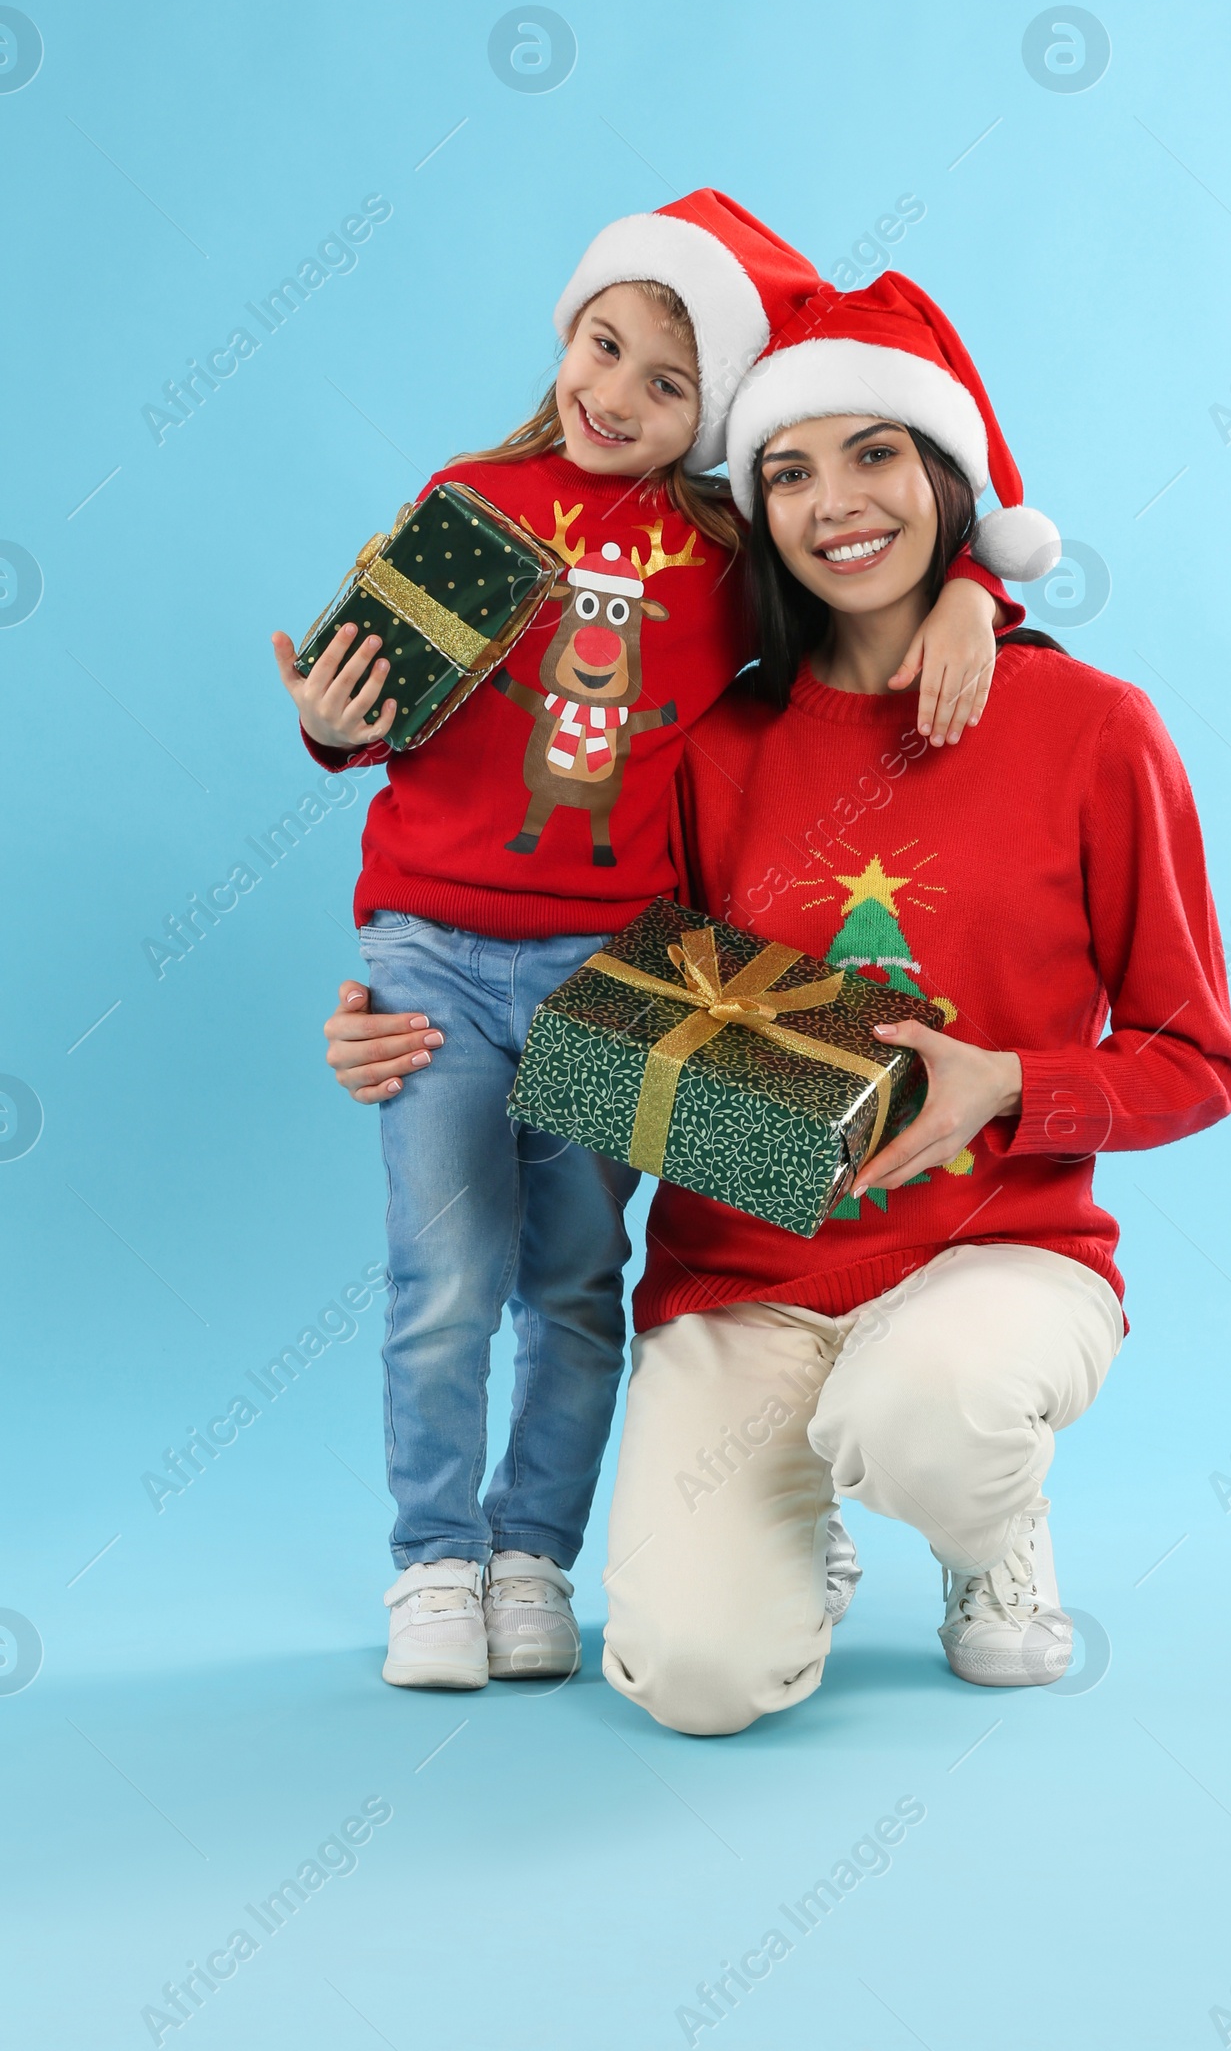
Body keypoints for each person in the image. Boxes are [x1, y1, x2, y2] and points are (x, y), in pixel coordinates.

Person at [278, 196, 1019, 1691]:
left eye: (664, 386)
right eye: (601, 347)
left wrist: (973, 592)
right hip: (429, 956)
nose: (611, 396)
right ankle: (433, 1564)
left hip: (617, 975)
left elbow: (861, 576)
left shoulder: (729, 552)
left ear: (714, 417)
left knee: (572, 1278)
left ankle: (533, 1554)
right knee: (441, 1279)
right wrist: (324, 729)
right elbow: (372, 714)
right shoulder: (466, 501)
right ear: (568, 329)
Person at [591, 271, 1231, 1734]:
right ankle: (789, 1519)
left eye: (874, 451)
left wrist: (1010, 1083)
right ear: (754, 510)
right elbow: (608, 1000)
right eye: (788, 470)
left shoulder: (1094, 729)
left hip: (998, 1255)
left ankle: (982, 1526)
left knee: (928, 1421)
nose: (835, 502)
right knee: (694, 1683)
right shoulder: (716, 748)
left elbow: (1195, 1057)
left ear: (948, 474)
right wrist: (412, 1020)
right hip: (745, 1282)